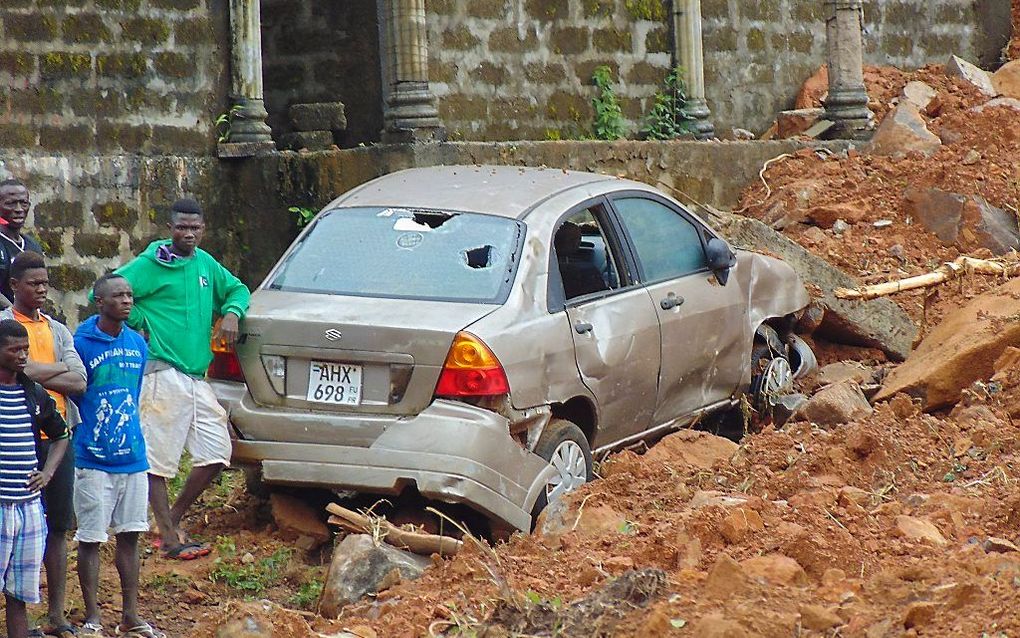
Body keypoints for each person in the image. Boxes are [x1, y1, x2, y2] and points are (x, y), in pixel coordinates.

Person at [114, 198, 249, 560]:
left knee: (217, 452)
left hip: (196, 376)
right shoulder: (152, 263)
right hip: (163, 373)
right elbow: (110, 289)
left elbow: (238, 289)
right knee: (157, 460)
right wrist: (140, 319)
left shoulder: (205, 264)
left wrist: (232, 314)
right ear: (170, 229)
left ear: (203, 229)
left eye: (195, 228)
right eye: (182, 228)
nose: (188, 234)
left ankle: (169, 521)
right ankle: (171, 540)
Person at [73, 274, 164, 638]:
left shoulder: (137, 344)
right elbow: (78, 394)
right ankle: (93, 617)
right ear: (99, 302)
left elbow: (135, 391)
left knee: (130, 535)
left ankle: (130, 615)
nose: (126, 301)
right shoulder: (81, 342)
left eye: (129, 295)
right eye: (118, 296)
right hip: (92, 457)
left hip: (133, 457)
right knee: (91, 538)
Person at [0, 251, 85, 638]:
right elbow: (31, 370)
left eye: (45, 282)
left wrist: (35, 373)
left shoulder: (57, 329)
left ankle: (56, 615)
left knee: (57, 525)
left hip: (52, 437)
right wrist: (52, 371)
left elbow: (80, 380)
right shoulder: (4, 324)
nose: (41, 289)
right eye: (33, 283)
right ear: (13, 286)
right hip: (18, 444)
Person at [0, 319, 69, 638]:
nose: (22, 356)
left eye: (25, 349)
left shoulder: (34, 393)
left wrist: (48, 472)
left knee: (19, 594)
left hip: (28, 509)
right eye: (14, 349)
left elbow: (60, 435)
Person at [0, 179, 44, 307]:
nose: (19, 209)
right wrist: (15, 314)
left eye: (23, 203)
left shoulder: (33, 246)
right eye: (10, 204)